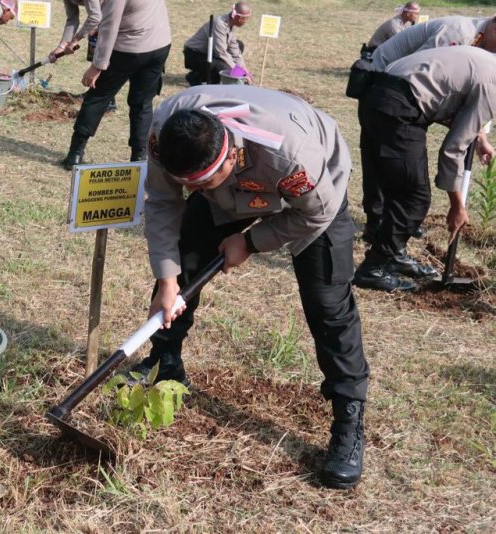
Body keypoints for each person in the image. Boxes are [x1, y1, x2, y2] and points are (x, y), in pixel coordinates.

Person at [130, 84, 370, 490]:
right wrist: (168, 281)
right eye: (189, 184)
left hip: (313, 199)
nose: (194, 191)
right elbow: (161, 203)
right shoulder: (164, 135)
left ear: (229, 153)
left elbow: (314, 213)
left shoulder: (292, 157)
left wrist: (252, 241)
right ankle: (166, 361)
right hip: (238, 182)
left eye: (203, 182)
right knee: (186, 261)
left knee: (328, 303)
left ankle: (349, 420)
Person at [353, 45, 496, 291]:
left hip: (375, 93)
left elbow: (452, 98)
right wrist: (457, 206)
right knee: (414, 198)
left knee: (397, 187)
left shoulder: (489, 61)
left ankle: (394, 254)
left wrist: (479, 138)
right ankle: (373, 268)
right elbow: (452, 150)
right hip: (399, 108)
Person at [359, 11, 496, 244]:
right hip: (383, 82)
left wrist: (480, 137)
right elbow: (418, 74)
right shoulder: (458, 32)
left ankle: (396, 220)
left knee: (402, 161)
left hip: (405, 96)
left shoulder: (484, 42)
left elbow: (475, 93)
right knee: (383, 158)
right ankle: (377, 222)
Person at [61, 0, 171, 169]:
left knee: (97, 96)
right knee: (142, 103)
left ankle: (75, 154)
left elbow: (109, 26)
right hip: (160, 44)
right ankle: (139, 158)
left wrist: (97, 66)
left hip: (129, 49)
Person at [183, 2, 252, 86]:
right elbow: (221, 52)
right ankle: (199, 78)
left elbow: (234, 49)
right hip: (194, 55)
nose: (246, 21)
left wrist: (243, 69)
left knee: (239, 45)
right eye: (246, 18)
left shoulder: (231, 24)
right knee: (224, 68)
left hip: (210, 52)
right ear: (238, 18)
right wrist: (238, 72)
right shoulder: (219, 24)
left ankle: (199, 75)